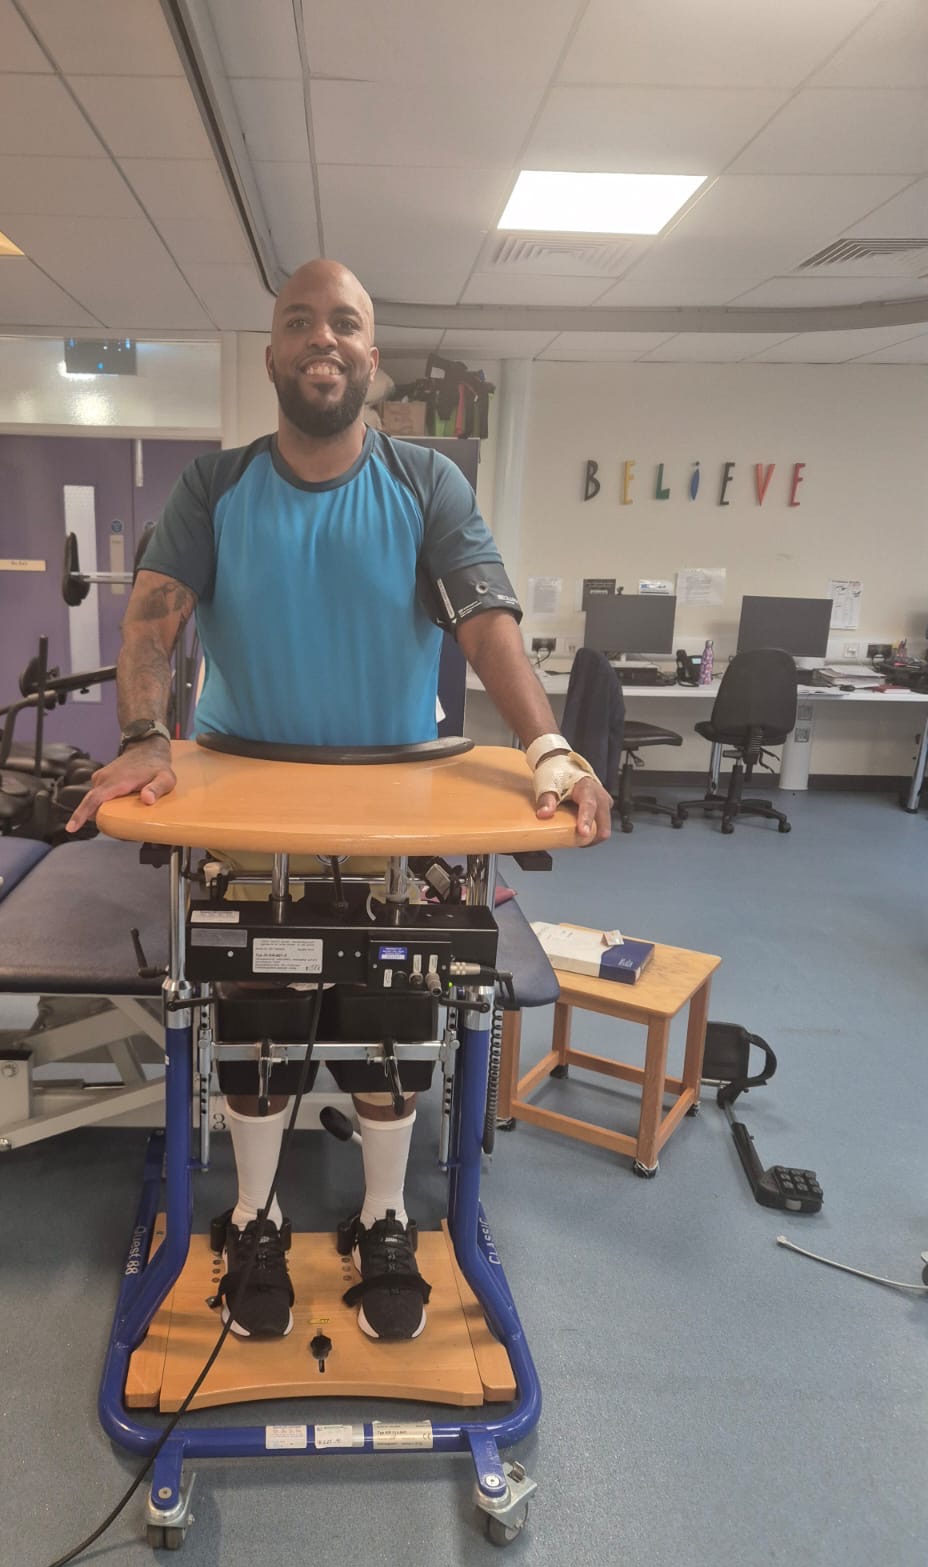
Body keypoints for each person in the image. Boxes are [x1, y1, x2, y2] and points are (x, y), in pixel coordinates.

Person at [67, 259, 612, 1343]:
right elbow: (152, 622)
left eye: (346, 323)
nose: (323, 338)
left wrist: (548, 744)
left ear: (372, 357)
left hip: (392, 810)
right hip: (243, 803)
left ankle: (384, 1214)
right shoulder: (214, 487)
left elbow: (484, 619)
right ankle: (256, 1213)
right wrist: (141, 737)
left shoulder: (427, 484)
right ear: (273, 353)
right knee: (255, 1019)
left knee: (390, 1021)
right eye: (299, 321)